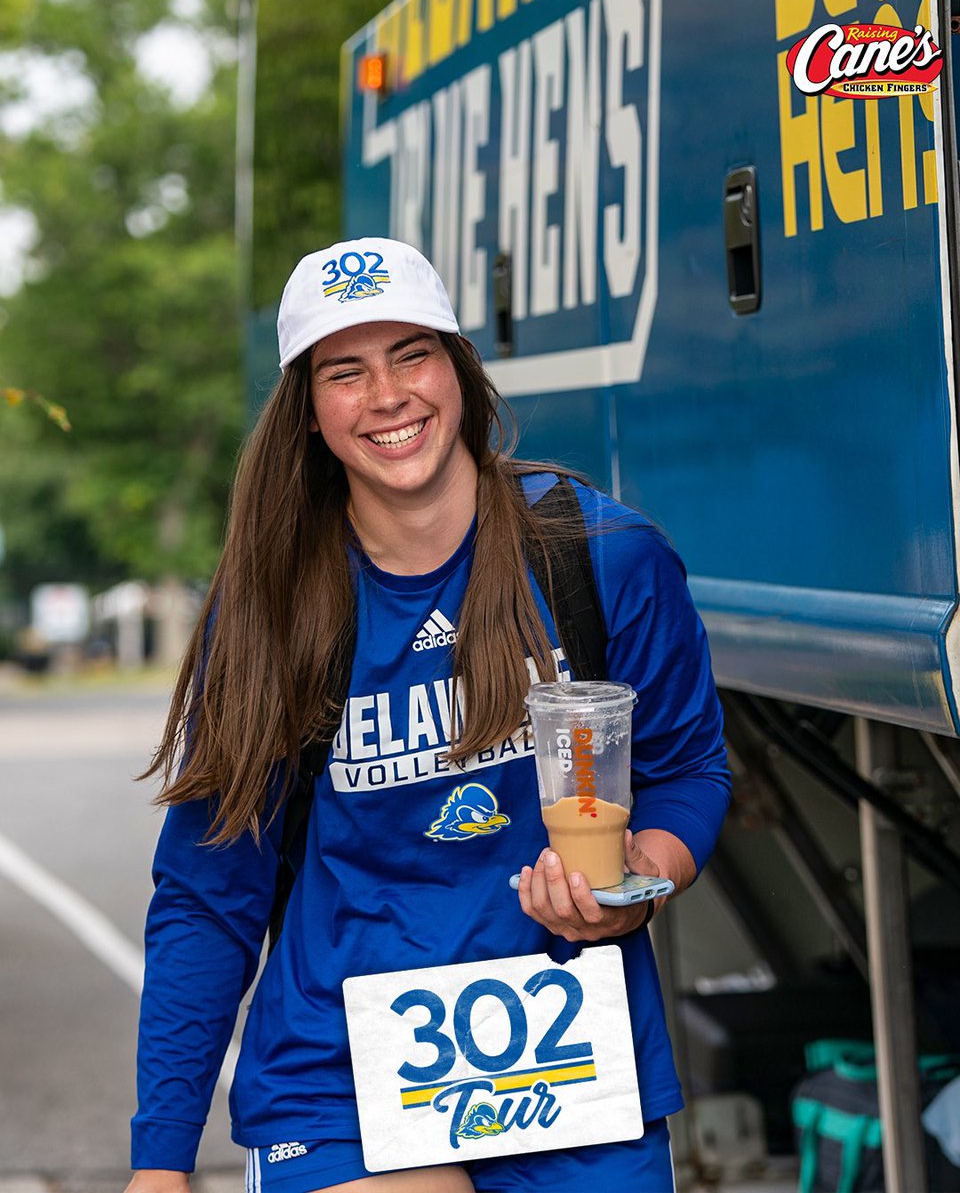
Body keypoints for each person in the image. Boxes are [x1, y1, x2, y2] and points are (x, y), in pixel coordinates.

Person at [126, 237, 731, 1193]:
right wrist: (160, 1159)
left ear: (460, 368)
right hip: (338, 1082)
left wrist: (637, 882)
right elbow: (210, 892)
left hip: (574, 1070)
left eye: (412, 353)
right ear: (307, 412)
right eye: (345, 371)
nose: (388, 395)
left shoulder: (603, 556)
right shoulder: (271, 613)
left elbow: (688, 770)